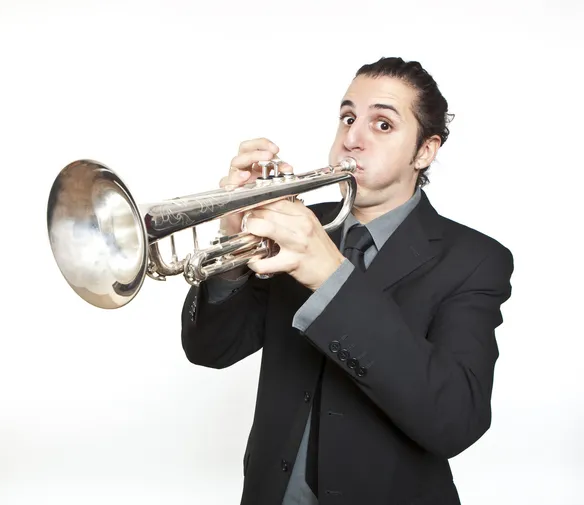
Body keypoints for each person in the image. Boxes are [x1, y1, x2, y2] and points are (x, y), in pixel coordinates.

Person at [180, 56, 514, 505]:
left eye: (382, 125)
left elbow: (455, 420)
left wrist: (331, 276)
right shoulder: (297, 226)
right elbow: (210, 350)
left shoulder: (475, 259)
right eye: (348, 117)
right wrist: (232, 236)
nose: (352, 139)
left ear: (425, 150)